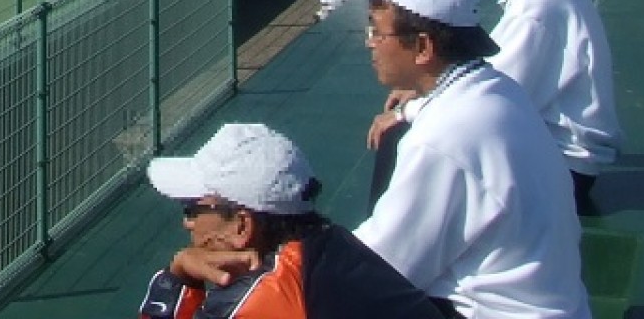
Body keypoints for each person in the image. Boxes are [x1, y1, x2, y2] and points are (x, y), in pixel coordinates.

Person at [355, 0, 590, 317]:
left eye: (377, 32)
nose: (369, 44)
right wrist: (405, 113)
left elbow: (381, 269)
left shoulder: (443, 138)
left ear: (422, 47)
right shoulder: (498, 89)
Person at [138, 122, 444, 318]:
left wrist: (177, 278)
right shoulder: (332, 243)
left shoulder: (258, 299)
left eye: (191, 209)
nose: (187, 224)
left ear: (241, 226)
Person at [461, 0, 622, 212]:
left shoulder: (538, 2)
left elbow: (494, 98)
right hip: (559, 157)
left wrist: (414, 106)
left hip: (564, 168)